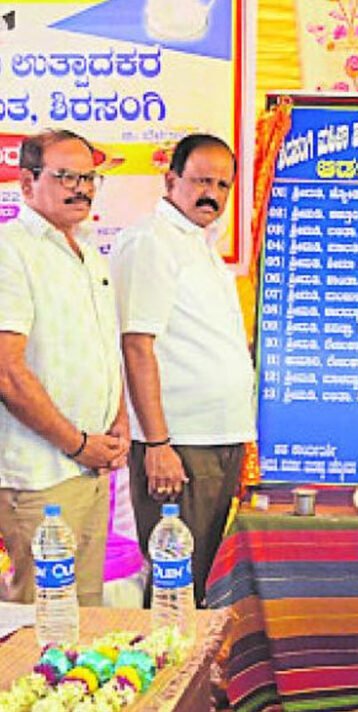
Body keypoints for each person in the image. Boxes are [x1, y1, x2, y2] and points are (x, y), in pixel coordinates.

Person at [113, 133, 255, 606]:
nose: (211, 194)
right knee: (176, 580)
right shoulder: (152, 242)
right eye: (199, 181)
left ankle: (194, 676)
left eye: (222, 184)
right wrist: (157, 445)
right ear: (171, 180)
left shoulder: (199, 244)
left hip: (216, 438)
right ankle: (170, 679)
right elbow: (136, 347)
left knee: (201, 579)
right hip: (180, 444)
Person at [0, 129, 128, 606]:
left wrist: (117, 421)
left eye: (90, 177)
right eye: (66, 176)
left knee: (86, 615)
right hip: (40, 473)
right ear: (27, 183)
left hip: (91, 466)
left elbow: (98, 347)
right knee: (39, 621)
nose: (83, 188)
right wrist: (77, 444)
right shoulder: (10, 251)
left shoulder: (88, 251)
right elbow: (8, 373)